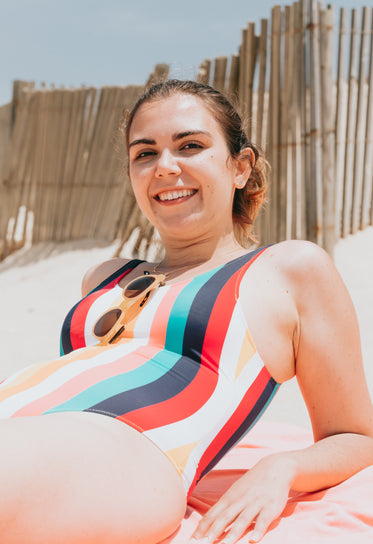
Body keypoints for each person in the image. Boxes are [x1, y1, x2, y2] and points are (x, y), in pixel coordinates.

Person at [0, 79, 373, 544]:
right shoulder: (105, 276)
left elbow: (357, 436)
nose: (165, 167)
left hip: (127, 453)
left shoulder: (286, 270)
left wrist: (283, 466)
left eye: (190, 145)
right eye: (145, 153)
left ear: (240, 167)